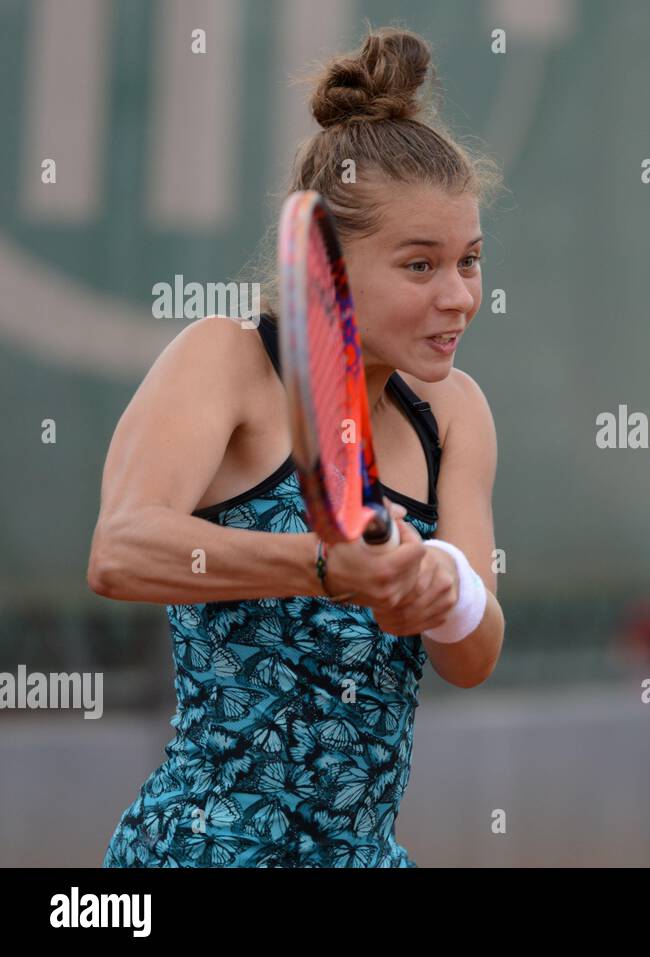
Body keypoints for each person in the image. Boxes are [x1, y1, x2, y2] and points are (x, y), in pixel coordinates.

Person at [87, 26, 504, 867]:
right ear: (326, 269)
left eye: (469, 261)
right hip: (201, 850)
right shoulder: (226, 360)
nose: (459, 295)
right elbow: (120, 549)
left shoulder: (456, 412)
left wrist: (438, 588)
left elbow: (475, 655)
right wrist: (319, 564)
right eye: (420, 266)